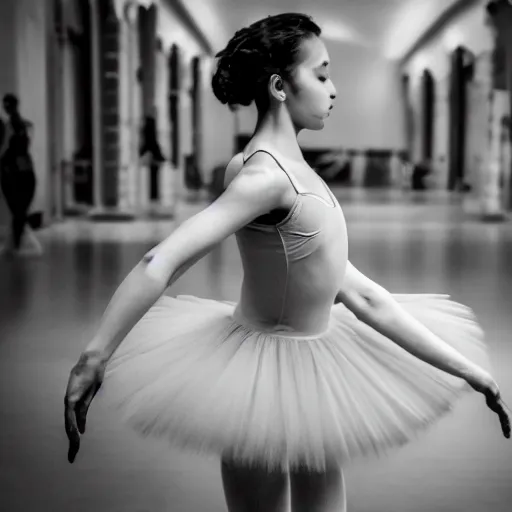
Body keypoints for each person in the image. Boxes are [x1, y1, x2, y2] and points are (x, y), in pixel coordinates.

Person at [65, 13, 510, 512]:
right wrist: (95, 357)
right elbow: (160, 260)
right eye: (320, 75)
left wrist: (470, 370)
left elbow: (361, 294)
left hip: (312, 375)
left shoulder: (279, 168)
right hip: (258, 385)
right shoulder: (263, 178)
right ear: (279, 86)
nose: (333, 89)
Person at [0, 93, 42, 256]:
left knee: (19, 211)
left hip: (18, 173)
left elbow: (14, 149)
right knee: (18, 212)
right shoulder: (17, 126)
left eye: (8, 105)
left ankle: (17, 244)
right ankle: (16, 244)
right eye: (5, 105)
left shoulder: (17, 126)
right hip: (18, 172)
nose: (7, 108)